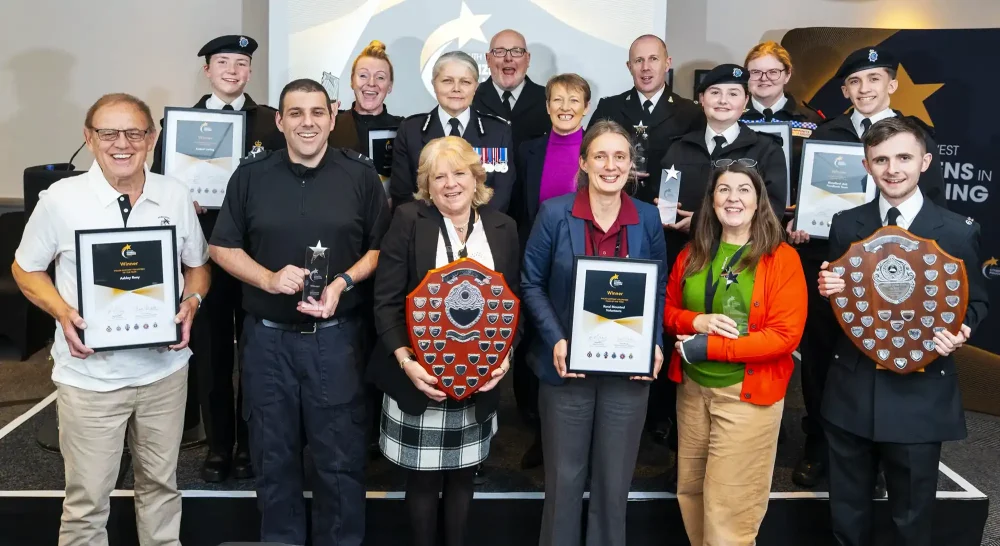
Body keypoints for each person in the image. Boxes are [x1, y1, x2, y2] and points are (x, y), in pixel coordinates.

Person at [12, 93, 211, 545]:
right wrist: (61, 311)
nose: (122, 143)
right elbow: (24, 268)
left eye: (134, 132)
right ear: (89, 138)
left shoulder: (174, 195)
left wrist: (192, 301)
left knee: (161, 489)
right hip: (90, 379)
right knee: (86, 506)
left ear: (152, 138)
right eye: (108, 133)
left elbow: (198, 265)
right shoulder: (61, 199)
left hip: (164, 373)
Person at [209, 79, 390, 546]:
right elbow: (221, 246)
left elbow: (380, 248)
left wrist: (342, 282)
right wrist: (267, 279)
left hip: (336, 339)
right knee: (273, 462)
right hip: (267, 343)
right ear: (279, 121)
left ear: (333, 117)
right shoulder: (250, 176)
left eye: (316, 113)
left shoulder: (360, 176)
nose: (306, 123)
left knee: (341, 463)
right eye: (295, 113)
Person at [818, 116, 988, 546]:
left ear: (925, 162)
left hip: (920, 391)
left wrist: (963, 328)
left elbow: (977, 299)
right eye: (881, 159)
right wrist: (827, 288)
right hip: (852, 388)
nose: (892, 169)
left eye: (904, 157)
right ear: (867, 165)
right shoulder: (846, 225)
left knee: (912, 519)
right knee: (847, 514)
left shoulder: (957, 231)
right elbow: (843, 303)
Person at [789, 46, 947, 489]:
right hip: (833, 264)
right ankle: (819, 445)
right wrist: (802, 222)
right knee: (822, 357)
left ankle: (883, 453)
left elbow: (934, 206)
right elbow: (810, 198)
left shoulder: (918, 136)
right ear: (844, 90)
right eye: (855, 82)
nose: (864, 89)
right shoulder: (827, 133)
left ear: (892, 84)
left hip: (897, 272)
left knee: (886, 355)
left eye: (874, 79)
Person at [521, 120, 667, 546]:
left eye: (620, 156)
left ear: (631, 165)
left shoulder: (648, 218)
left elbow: (656, 288)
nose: (610, 165)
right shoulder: (554, 213)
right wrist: (557, 339)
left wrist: (653, 344)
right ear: (583, 162)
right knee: (563, 483)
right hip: (566, 370)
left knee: (614, 484)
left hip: (628, 372)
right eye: (600, 155)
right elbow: (530, 283)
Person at [368, 136, 520, 546]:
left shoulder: (504, 227)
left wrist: (503, 362)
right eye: (439, 176)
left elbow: (514, 308)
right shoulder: (406, 219)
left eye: (459, 173)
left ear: (476, 178)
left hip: (480, 381)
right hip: (419, 379)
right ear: (426, 184)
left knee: (462, 480)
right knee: (419, 484)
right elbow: (384, 302)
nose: (450, 184)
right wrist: (406, 363)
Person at [150, 34, 285, 483]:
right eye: (223, 61)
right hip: (202, 256)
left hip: (256, 258)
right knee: (208, 356)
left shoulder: (269, 122)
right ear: (206, 69)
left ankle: (250, 445)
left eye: (241, 63)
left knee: (255, 354)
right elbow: (161, 184)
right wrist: (180, 199)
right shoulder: (183, 124)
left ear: (250, 71)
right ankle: (218, 446)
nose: (232, 70)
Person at [664, 163, 807, 545]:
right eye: (724, 190)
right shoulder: (693, 253)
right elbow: (668, 312)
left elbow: (784, 337)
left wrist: (710, 346)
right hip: (693, 393)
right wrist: (698, 322)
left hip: (746, 396)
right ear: (711, 201)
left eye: (744, 190)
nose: (733, 198)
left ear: (759, 201)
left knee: (731, 510)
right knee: (691, 493)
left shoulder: (781, 259)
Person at [512, 72, 591, 469]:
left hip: (585, 259)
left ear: (586, 107)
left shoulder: (598, 151)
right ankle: (539, 433)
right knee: (539, 340)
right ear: (546, 107)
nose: (565, 108)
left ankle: (575, 439)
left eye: (573, 100)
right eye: (557, 100)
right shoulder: (528, 150)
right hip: (539, 255)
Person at [660, 63, 788, 268]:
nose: (723, 101)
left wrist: (700, 222)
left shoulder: (767, 150)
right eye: (715, 92)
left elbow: (772, 213)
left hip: (744, 261)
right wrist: (664, 211)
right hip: (683, 258)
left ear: (746, 100)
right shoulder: (678, 148)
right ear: (701, 99)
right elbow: (664, 205)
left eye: (733, 93)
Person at [390, 51, 515, 213]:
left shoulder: (498, 132)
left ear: (476, 86)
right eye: (447, 81)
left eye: (465, 82)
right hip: (425, 232)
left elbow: (501, 193)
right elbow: (403, 195)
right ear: (434, 84)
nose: (456, 89)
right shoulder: (410, 131)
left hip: (482, 231)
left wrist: (469, 228)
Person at [588, 34, 703, 205]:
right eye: (638, 60)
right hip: (616, 208)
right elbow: (589, 155)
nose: (645, 67)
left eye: (653, 59)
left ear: (667, 63)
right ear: (629, 66)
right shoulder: (609, 108)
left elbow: (699, 168)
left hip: (667, 214)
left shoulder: (691, 112)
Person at [739, 40, 823, 206]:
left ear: (787, 74)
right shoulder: (732, 118)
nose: (764, 79)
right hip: (741, 211)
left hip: (793, 216)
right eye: (755, 72)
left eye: (773, 72)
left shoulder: (812, 120)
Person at [473, 29, 551, 151]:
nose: (508, 58)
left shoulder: (548, 99)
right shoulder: (471, 98)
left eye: (517, 51)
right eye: (499, 52)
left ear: (528, 59)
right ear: (488, 59)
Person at [328, 40, 403, 156]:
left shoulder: (404, 129)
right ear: (352, 81)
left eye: (380, 77)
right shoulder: (331, 124)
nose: (371, 83)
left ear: (390, 86)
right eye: (363, 75)